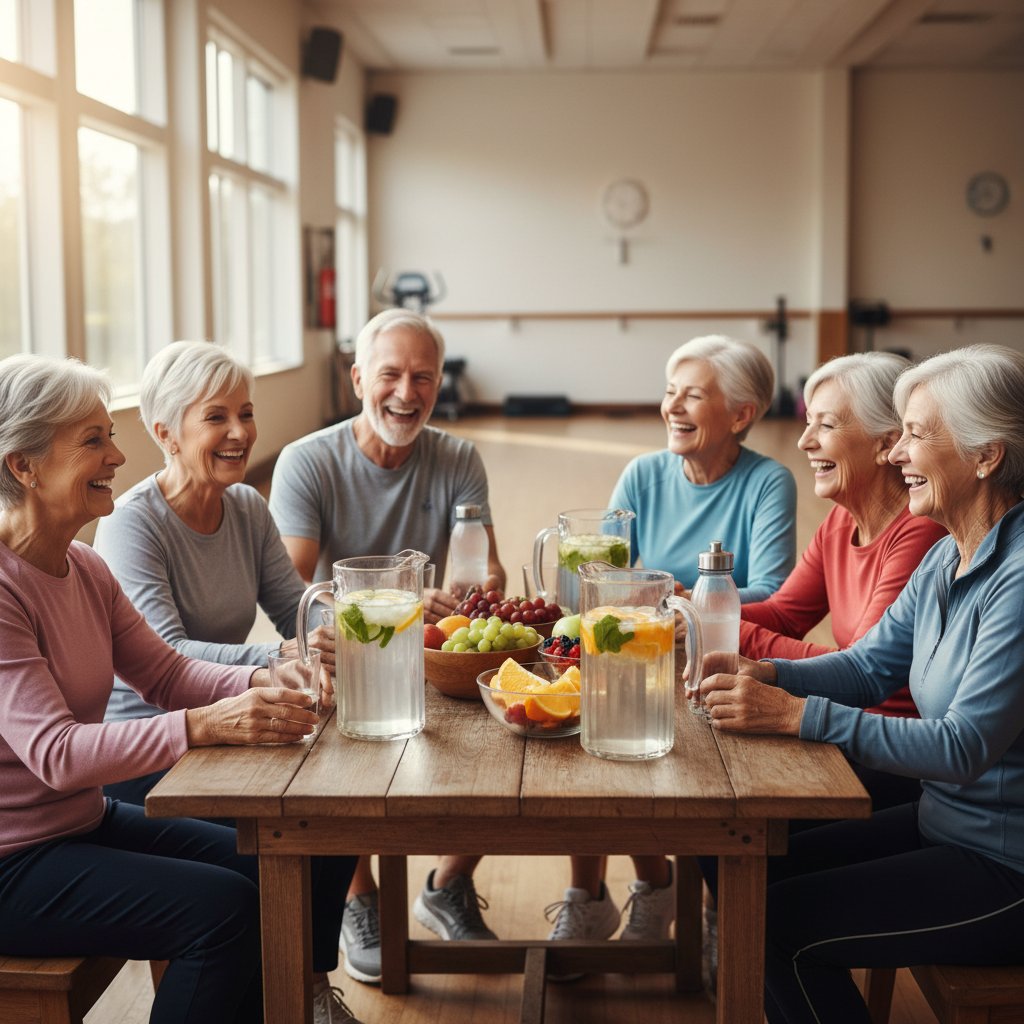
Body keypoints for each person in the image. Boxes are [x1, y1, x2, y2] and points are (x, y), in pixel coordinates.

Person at [0, 354, 360, 1024]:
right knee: (219, 913)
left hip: (79, 821)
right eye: (94, 440)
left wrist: (268, 679)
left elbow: (165, 673)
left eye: (111, 433)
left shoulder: (82, 565)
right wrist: (205, 724)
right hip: (14, 860)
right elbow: (54, 752)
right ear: (23, 466)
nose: (117, 455)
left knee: (273, 870)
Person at [701, 344, 1024, 1024]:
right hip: (944, 825)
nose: (896, 452)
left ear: (986, 456)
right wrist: (767, 671)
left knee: (774, 926)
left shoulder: (1018, 580)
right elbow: (868, 666)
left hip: (1005, 863)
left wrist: (795, 715)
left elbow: (964, 747)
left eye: (915, 433)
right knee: (746, 882)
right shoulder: (948, 552)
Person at [269, 308, 507, 984]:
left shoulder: (458, 457)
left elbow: (487, 567)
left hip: (434, 645)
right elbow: (291, 581)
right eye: (391, 375)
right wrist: (384, 608)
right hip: (346, 651)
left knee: (505, 735)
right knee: (337, 760)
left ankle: (448, 883)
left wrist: (465, 592)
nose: (406, 393)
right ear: (356, 380)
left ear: (439, 385)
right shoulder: (307, 462)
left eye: (423, 377)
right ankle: (359, 896)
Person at [550, 334, 797, 950]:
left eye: (693, 395)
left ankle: (717, 912)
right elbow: (598, 582)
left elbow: (770, 589)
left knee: (702, 781)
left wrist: (673, 602)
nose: (673, 407)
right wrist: (644, 601)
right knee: (592, 747)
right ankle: (602, 895)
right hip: (637, 656)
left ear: (741, 415)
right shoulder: (641, 475)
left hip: (717, 661)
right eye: (669, 392)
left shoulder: (770, 483)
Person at [93, 341, 335, 806]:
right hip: (152, 747)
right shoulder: (131, 523)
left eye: (245, 413)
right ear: (168, 435)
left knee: (337, 801)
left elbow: (294, 608)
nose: (240, 433)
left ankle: (357, 884)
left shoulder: (246, 506)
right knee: (316, 812)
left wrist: (356, 629)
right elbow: (169, 653)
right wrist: (283, 654)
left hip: (233, 720)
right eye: (216, 417)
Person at [741, 351, 947, 809]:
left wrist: (712, 627)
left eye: (826, 426)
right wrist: (690, 609)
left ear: (885, 443)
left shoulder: (923, 533)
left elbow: (863, 666)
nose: (804, 442)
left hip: (890, 753)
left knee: (728, 816)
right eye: (807, 423)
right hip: (842, 726)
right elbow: (783, 614)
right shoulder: (840, 520)